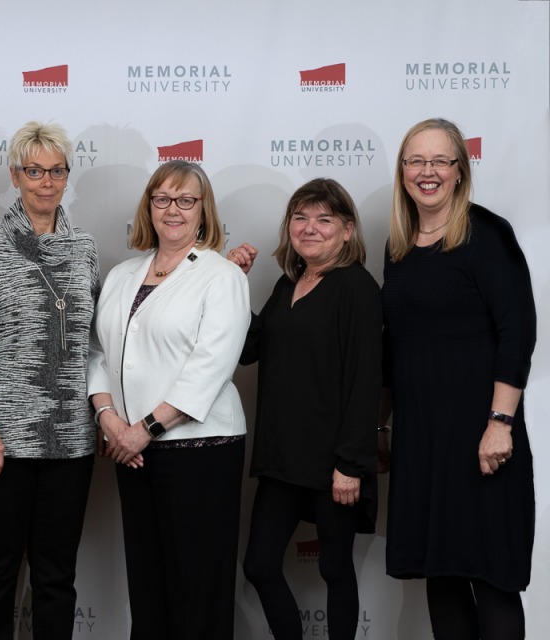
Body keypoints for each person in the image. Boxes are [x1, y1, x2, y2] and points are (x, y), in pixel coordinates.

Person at [379, 118, 536, 640]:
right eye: (415, 161)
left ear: (460, 171)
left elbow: (517, 331)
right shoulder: (398, 246)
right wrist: (381, 427)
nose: (427, 172)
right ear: (403, 171)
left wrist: (499, 421)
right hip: (423, 441)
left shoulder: (487, 234)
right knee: (442, 579)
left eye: (439, 161)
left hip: (481, 436)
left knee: (492, 580)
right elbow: (395, 346)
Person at [87, 160, 250, 640]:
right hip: (132, 452)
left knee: (197, 591)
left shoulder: (221, 276)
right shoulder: (123, 274)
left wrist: (143, 430)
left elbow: (210, 365)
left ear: (204, 210)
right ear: (149, 207)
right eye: (162, 199)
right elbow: (97, 351)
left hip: (201, 450)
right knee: (149, 586)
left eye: (186, 200)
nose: (173, 210)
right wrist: (109, 419)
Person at [0, 121, 99, 640]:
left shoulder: (84, 248)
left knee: (57, 578)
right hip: (2, 443)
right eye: (34, 170)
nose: (45, 181)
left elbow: (93, 343)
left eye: (55, 170)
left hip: (71, 443)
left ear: (67, 175)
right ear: (15, 175)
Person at [228, 178, 381, 640]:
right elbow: (249, 348)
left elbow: (364, 380)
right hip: (282, 458)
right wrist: (231, 282)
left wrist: (351, 465)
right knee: (258, 564)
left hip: (334, 461)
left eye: (324, 219)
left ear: (348, 230)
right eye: (300, 217)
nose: (309, 227)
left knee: (335, 569)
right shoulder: (286, 283)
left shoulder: (356, 288)